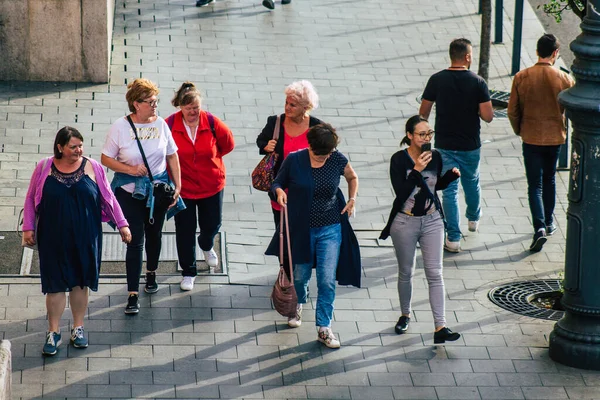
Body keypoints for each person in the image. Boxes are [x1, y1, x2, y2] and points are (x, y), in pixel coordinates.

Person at [23, 127, 131, 356]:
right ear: (60, 147)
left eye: (80, 146)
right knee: (54, 285)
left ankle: (78, 328)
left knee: (80, 282)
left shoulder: (93, 167)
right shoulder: (44, 168)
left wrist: (122, 224)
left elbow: (108, 198)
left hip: (85, 235)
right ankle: (54, 332)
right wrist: (28, 228)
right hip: (52, 236)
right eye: (73, 147)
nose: (78, 150)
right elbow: (31, 198)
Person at [266, 123, 359, 349]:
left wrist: (352, 198)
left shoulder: (337, 159)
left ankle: (324, 327)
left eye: (328, 153)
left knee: (327, 279)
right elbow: (277, 182)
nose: (324, 158)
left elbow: (352, 177)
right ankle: (300, 300)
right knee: (300, 276)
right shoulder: (295, 160)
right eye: (320, 154)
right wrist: (278, 191)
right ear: (310, 146)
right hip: (301, 228)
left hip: (331, 227)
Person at [101, 78, 183, 315]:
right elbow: (106, 158)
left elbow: (172, 156)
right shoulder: (120, 127)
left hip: (157, 192)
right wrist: (130, 170)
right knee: (135, 241)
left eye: (156, 101)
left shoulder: (160, 124)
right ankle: (132, 294)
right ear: (136, 104)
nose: (155, 106)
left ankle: (152, 273)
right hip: (129, 193)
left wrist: (177, 185)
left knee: (155, 235)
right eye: (151, 102)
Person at [380, 116, 461, 344]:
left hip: (432, 219)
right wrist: (416, 169)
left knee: (435, 273)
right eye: (422, 134)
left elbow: (434, 186)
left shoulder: (435, 156)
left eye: (429, 133)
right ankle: (405, 314)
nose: (427, 138)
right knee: (406, 271)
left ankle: (440, 326)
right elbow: (402, 192)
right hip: (405, 221)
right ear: (409, 136)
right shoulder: (398, 160)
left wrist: (450, 177)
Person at [419, 38, 494, 253]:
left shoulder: (437, 80)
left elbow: (423, 112)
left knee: (449, 191)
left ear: (451, 55)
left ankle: (452, 238)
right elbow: (488, 116)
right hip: (470, 144)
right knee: (471, 181)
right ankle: (473, 218)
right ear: (468, 57)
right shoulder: (478, 82)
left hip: (444, 143)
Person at [508, 34, 574, 252]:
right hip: (555, 137)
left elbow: (512, 111)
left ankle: (539, 228)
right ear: (555, 53)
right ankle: (548, 222)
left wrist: (520, 129)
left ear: (537, 51)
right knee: (549, 179)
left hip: (531, 136)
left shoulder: (522, 77)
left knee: (534, 185)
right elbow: (572, 109)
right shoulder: (564, 79)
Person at [166, 82, 235, 291]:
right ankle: (188, 271)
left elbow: (228, 144)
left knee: (212, 224)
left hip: (211, 186)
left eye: (196, 107)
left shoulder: (212, 122)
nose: (193, 112)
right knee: (184, 230)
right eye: (188, 109)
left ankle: (206, 244)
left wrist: (211, 161)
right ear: (180, 107)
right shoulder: (169, 125)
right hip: (183, 189)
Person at [256, 80, 323, 284]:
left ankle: (301, 270)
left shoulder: (316, 127)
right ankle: (286, 271)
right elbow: (261, 141)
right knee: (283, 234)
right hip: (281, 193)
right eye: (286, 102)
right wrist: (266, 146)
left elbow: (326, 154)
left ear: (306, 107)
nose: (287, 107)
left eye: (292, 104)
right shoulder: (275, 122)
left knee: (305, 236)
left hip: (308, 196)